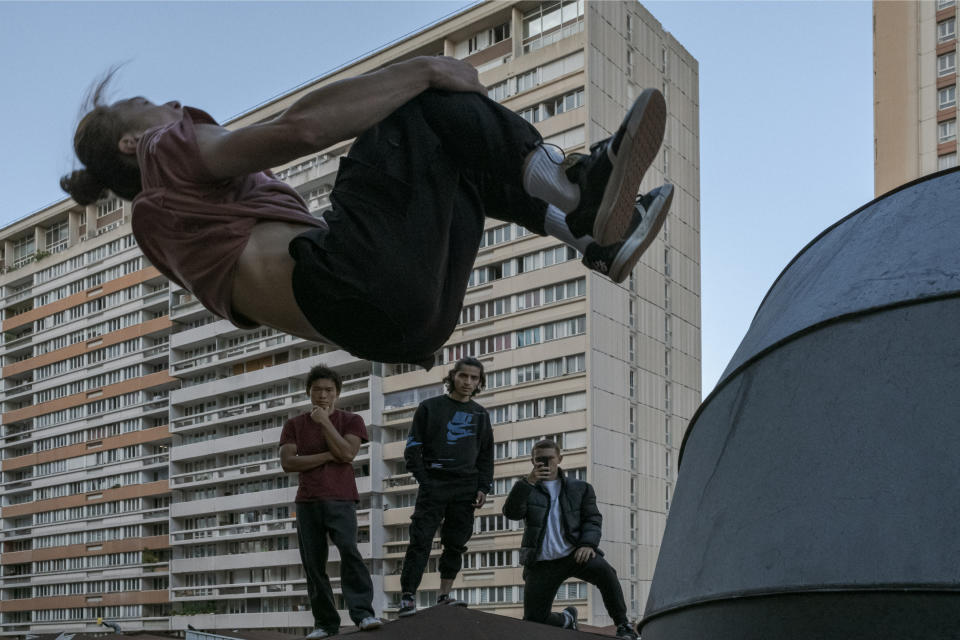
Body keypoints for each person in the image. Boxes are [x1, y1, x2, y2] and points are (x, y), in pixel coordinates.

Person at [60, 57, 673, 367]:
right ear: (128, 143)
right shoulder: (161, 154)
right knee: (414, 108)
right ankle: (580, 194)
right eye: (150, 104)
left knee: (453, 161)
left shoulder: (168, 230)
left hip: (399, 326)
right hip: (353, 283)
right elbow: (299, 127)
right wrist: (423, 68)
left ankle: (591, 234)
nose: (172, 103)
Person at [279, 365, 382, 638]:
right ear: (308, 392)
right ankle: (325, 623)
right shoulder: (294, 425)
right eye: (317, 390)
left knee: (350, 552)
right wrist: (327, 456)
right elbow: (288, 462)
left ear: (337, 393)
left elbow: (348, 453)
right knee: (313, 564)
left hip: (341, 497)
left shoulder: (351, 420)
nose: (322, 395)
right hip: (307, 501)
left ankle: (363, 613)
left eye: (328, 390)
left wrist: (324, 422)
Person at [502, 439, 639, 640]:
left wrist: (588, 544)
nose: (545, 463)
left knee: (606, 573)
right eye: (539, 459)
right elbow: (512, 513)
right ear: (532, 460)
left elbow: (592, 518)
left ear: (559, 458)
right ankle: (567, 620)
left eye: (549, 458)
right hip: (542, 562)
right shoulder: (526, 488)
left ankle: (623, 624)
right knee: (534, 618)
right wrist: (527, 483)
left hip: (574, 554)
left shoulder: (580, 488)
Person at [397, 357, 493, 616]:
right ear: (453, 377)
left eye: (474, 378)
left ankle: (444, 596)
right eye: (464, 376)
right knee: (421, 541)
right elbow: (413, 448)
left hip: (466, 488)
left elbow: (486, 455)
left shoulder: (481, 415)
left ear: (479, 382)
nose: (468, 382)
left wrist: (483, 486)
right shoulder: (430, 407)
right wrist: (425, 481)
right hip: (434, 484)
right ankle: (407, 598)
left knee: (455, 543)